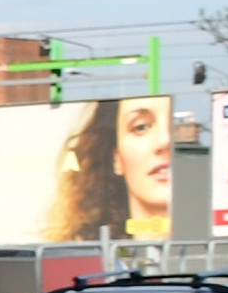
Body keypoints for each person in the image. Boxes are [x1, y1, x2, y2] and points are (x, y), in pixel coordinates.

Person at [43, 99, 171, 241]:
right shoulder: (84, 261)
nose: (165, 140)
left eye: (179, 124)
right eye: (140, 127)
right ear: (116, 158)